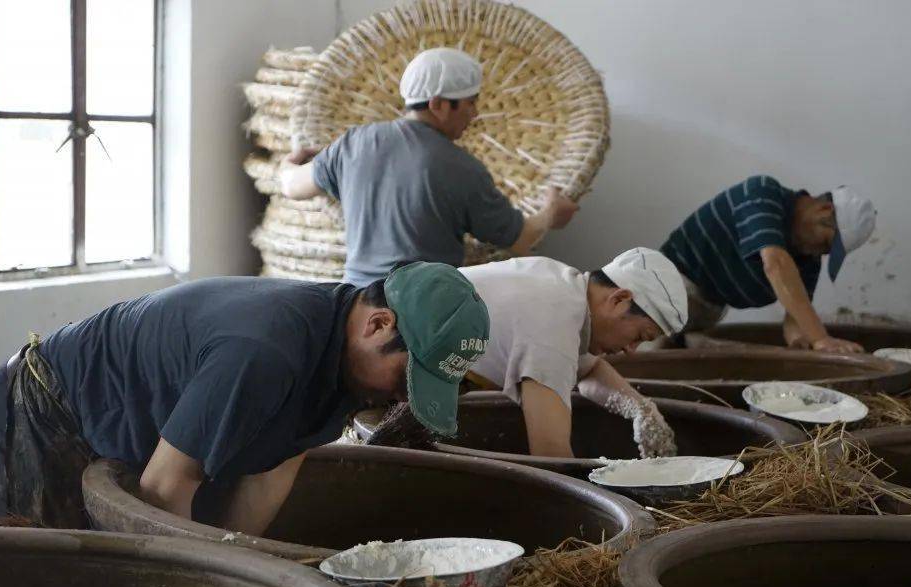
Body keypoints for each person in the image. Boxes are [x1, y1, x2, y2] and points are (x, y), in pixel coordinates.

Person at [0, 263, 489, 533]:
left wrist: (241, 560)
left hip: (136, 433)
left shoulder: (342, 362)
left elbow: (272, 471)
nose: (401, 397)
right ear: (379, 323)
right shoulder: (264, 353)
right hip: (46, 408)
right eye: (405, 378)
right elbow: (164, 486)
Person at [279, 47, 580, 286]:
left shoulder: (353, 143)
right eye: (469, 103)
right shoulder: (464, 169)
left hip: (356, 307)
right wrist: (551, 213)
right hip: (426, 318)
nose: (475, 114)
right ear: (438, 105)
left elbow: (291, 186)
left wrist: (287, 162)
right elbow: (520, 239)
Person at [459, 247, 688, 459]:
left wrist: (641, 410)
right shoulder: (554, 322)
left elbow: (589, 370)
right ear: (619, 299)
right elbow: (550, 453)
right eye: (639, 336)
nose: (630, 351)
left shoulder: (566, 290)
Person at [660, 175, 877, 353]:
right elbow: (775, 263)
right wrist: (821, 338)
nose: (821, 252)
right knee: (646, 362)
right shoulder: (763, 193)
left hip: (708, 309)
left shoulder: (809, 259)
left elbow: (795, 320)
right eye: (825, 243)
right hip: (669, 286)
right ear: (824, 210)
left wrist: (801, 343)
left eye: (829, 252)